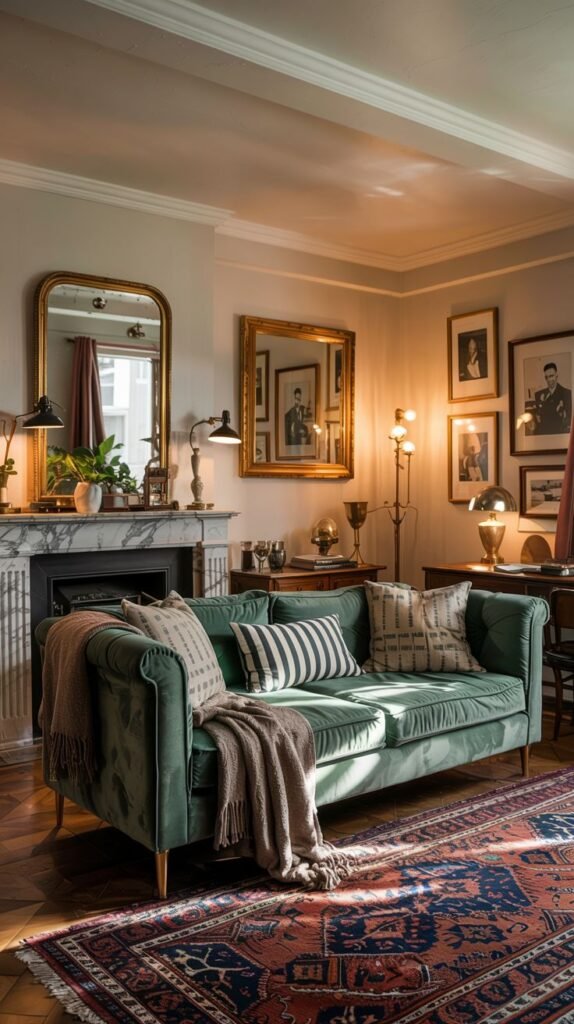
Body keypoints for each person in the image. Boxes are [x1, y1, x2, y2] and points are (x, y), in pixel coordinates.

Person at [533, 362, 572, 435]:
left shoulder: (567, 393)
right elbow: (537, 418)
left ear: (557, 375)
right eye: (546, 377)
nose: (548, 379)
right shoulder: (538, 395)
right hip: (542, 435)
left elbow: (568, 420)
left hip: (559, 435)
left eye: (551, 376)